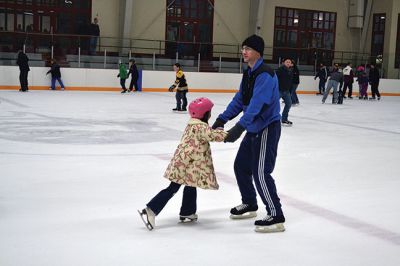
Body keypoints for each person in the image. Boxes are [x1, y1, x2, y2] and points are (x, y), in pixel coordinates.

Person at [211, 34, 285, 233]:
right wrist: (222, 119)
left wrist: (238, 128)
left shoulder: (265, 74)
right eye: (243, 48)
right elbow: (239, 100)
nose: (243, 52)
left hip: (266, 128)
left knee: (261, 172)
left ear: (258, 52)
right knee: (241, 167)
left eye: (248, 49)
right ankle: (250, 203)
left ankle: (276, 215)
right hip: (253, 127)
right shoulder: (249, 72)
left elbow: (255, 106)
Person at [138, 97, 227, 230]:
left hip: (186, 163)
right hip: (186, 165)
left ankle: (188, 212)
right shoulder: (200, 126)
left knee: (191, 184)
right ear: (204, 114)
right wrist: (222, 129)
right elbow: (215, 136)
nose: (210, 114)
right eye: (209, 112)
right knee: (172, 188)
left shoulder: (192, 124)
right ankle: (151, 209)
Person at [276, 58, 293, 126]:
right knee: (273, 104)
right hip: (279, 90)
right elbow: (275, 78)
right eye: (287, 62)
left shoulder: (290, 70)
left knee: (289, 104)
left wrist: (290, 90)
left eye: (289, 62)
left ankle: (284, 119)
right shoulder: (280, 69)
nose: (288, 63)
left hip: (286, 91)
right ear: (284, 63)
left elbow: (290, 82)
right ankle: (268, 119)